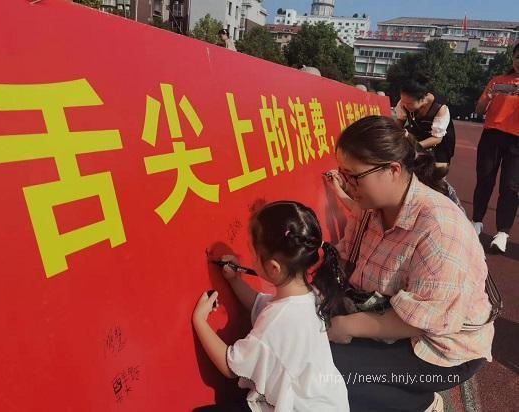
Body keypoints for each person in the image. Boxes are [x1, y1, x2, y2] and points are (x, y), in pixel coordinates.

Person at [325, 116, 493, 412]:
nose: (347, 185)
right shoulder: (369, 208)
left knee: (330, 376)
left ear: (392, 170)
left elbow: (420, 322)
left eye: (353, 176)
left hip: (440, 349)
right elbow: (345, 259)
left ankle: (418, 403)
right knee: (317, 355)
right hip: (386, 316)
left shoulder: (439, 228)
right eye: (341, 174)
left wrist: (349, 325)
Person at [192, 201, 350, 411]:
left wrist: (199, 321)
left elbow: (230, 366)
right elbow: (260, 304)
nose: (249, 260)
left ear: (274, 268)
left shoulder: (275, 323)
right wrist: (235, 280)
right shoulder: (311, 295)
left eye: (253, 254)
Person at [471, 42, 519, 253]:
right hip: (492, 135)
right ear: (513, 58)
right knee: (485, 179)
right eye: (518, 57)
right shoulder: (497, 81)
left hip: (517, 141)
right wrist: (490, 96)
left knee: (510, 187)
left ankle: (502, 233)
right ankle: (477, 221)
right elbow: (480, 109)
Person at [395, 73, 456, 175]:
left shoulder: (440, 108)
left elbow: (437, 138)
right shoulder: (404, 102)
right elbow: (399, 122)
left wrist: (414, 147)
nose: (404, 105)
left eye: (409, 104)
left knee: (438, 170)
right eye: (403, 101)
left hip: (440, 139)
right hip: (417, 131)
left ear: (423, 99)